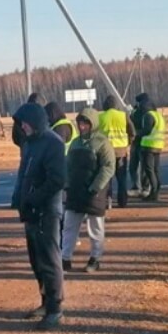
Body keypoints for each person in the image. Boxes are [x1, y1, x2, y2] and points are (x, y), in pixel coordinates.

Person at [12, 102, 67, 330]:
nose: (22, 127)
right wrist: (18, 198)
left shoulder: (53, 143)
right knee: (36, 261)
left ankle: (55, 308)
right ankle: (45, 301)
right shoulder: (29, 144)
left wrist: (34, 198)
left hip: (47, 211)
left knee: (49, 260)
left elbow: (57, 180)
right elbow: (23, 173)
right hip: (31, 212)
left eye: (24, 123)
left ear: (34, 121)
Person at [62, 108, 115, 272]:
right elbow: (68, 166)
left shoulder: (102, 142)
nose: (82, 127)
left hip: (94, 193)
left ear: (93, 124)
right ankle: (65, 258)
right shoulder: (76, 143)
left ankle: (95, 259)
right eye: (80, 123)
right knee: (69, 226)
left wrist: (95, 187)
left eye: (86, 123)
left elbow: (108, 167)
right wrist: (67, 184)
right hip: (75, 191)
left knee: (95, 228)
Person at [98, 96, 136, 207]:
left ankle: (108, 201)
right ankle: (122, 201)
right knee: (122, 178)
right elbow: (132, 132)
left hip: (105, 152)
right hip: (121, 151)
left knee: (107, 178)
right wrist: (127, 143)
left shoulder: (101, 117)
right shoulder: (123, 116)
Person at [135, 94, 165, 201]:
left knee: (149, 170)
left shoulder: (148, 115)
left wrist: (137, 134)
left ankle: (154, 192)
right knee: (156, 170)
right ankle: (156, 191)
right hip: (158, 145)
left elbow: (147, 130)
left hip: (148, 146)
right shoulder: (159, 116)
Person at [127, 93, 148, 194]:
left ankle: (145, 187)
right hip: (135, 142)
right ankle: (136, 186)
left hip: (144, 142)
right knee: (133, 166)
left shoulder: (147, 113)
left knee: (144, 166)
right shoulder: (135, 112)